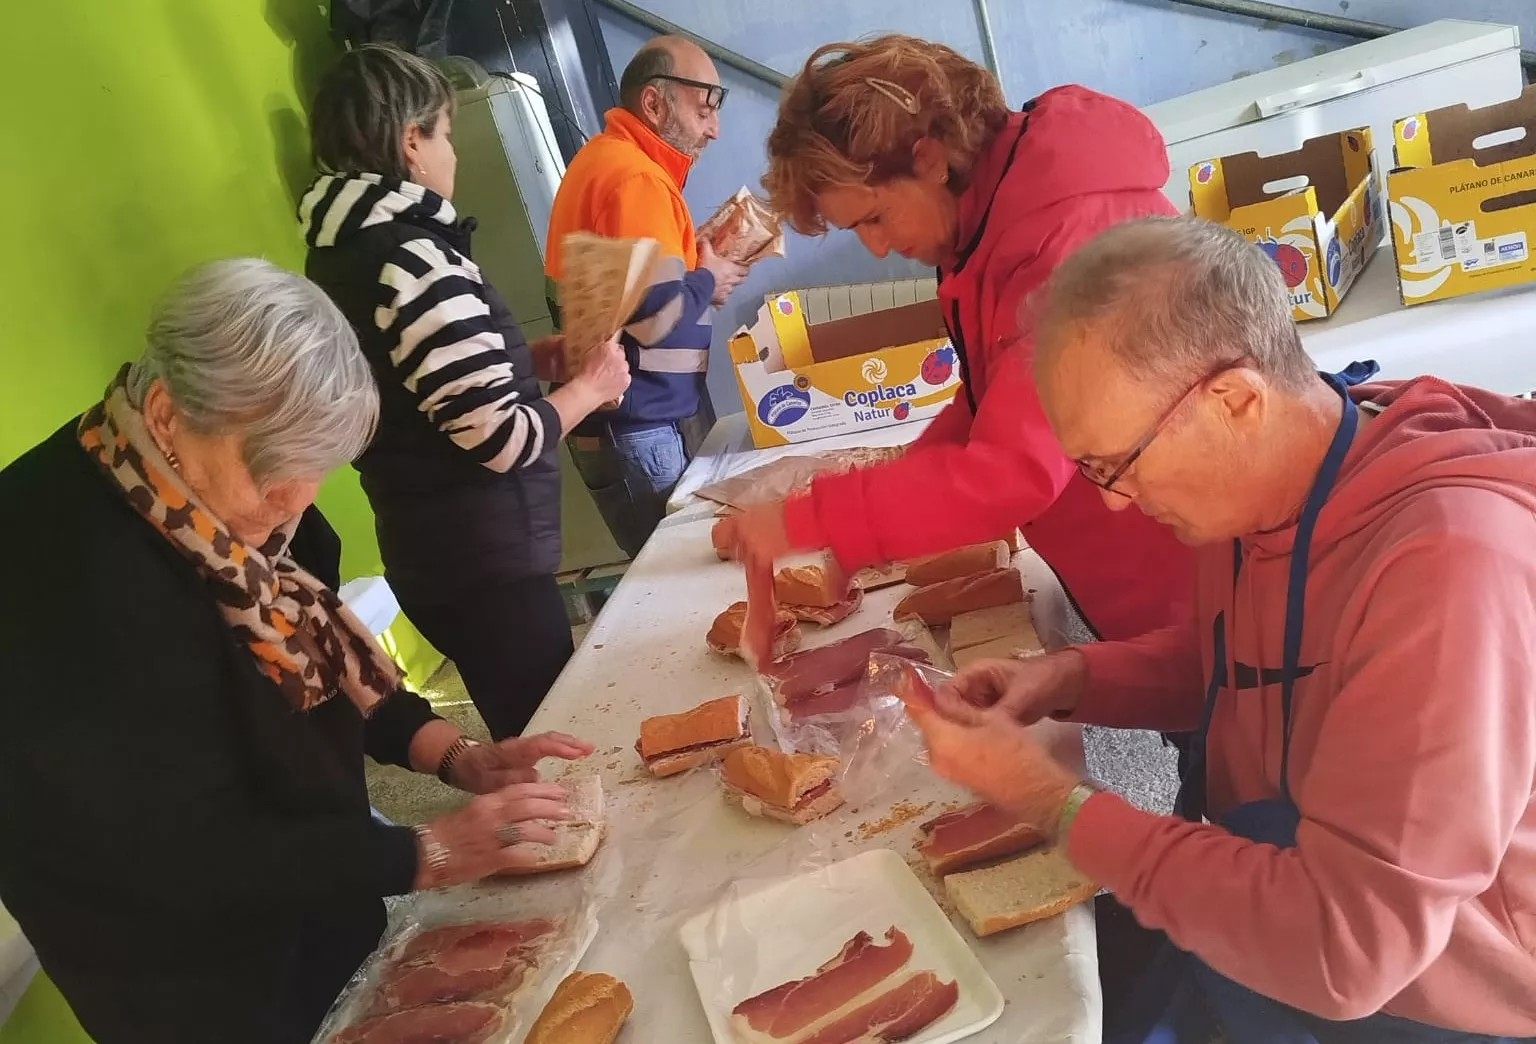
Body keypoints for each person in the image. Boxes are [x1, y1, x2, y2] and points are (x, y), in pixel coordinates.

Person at [900, 217, 1536, 1042]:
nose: (1109, 503)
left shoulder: (1448, 565)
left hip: (1439, 990)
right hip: (1295, 884)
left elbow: (1348, 950)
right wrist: (1071, 678)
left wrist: (1050, 801)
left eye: (1113, 466)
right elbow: (1246, 659)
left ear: (1235, 399)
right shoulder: (1279, 483)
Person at [0, 259, 600, 1044]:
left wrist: (451, 754)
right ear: (166, 411)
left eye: (314, 471)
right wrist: (420, 855)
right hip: (190, 973)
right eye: (273, 475)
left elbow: (323, 660)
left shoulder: (240, 502)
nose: (295, 502)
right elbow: (164, 853)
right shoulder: (54, 576)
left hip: (316, 879)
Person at [725, 35, 1193, 643]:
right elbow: (990, 407)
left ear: (931, 158)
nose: (877, 247)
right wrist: (856, 533)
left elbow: (1010, 470)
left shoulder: (1067, 242)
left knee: (1236, 737)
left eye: (874, 217)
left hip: (1210, 587)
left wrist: (809, 519)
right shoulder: (989, 224)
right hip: (1160, 586)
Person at [301, 44, 630, 739]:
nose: (453, 152)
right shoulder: (412, 256)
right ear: (410, 141)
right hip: (487, 564)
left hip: (436, 552)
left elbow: (427, 390)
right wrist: (590, 386)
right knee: (554, 750)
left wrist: (534, 359)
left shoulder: (345, 253)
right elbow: (500, 440)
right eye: (446, 132)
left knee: (533, 734)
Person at [546, 35, 750, 558]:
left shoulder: (605, 161)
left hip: (624, 428)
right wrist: (710, 279)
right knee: (676, 577)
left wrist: (697, 271)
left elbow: (631, 298)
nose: (714, 128)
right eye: (704, 108)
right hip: (639, 431)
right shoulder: (637, 178)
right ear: (655, 104)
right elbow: (657, 319)